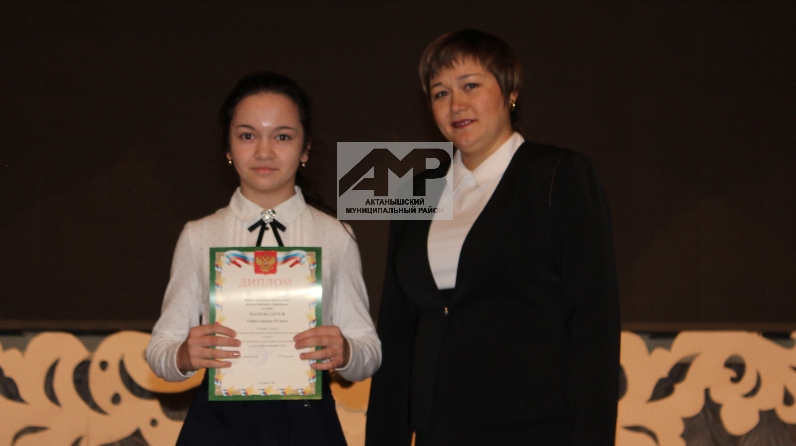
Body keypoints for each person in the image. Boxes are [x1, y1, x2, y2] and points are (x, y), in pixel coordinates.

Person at [365, 30, 620, 446]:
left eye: (470, 86)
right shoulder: (416, 189)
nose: (456, 104)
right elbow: (397, 329)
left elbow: (595, 324)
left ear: (510, 91)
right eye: (440, 93)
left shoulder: (558, 174)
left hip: (535, 426)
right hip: (438, 427)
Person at [146, 71, 381, 445]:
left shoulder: (336, 236)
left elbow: (369, 351)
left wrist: (347, 351)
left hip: (308, 425)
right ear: (228, 148)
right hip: (218, 424)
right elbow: (159, 350)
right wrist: (184, 356)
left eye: (282, 136)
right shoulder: (198, 235)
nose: (264, 151)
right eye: (247, 136)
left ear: (305, 149)